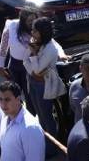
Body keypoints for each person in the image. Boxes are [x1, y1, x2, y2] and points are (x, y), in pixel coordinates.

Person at [24, 17, 66, 152]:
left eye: (35, 31)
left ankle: (52, 148)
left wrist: (34, 54)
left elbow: (36, 69)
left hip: (44, 86)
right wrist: (33, 72)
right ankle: (44, 142)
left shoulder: (50, 49)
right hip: (34, 83)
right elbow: (25, 61)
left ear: (43, 32)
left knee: (47, 117)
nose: (32, 34)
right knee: (40, 116)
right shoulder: (36, 42)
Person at [0, 9, 34, 102]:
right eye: (29, 21)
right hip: (14, 66)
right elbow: (3, 46)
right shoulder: (12, 26)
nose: (32, 23)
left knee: (29, 96)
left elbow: (51, 42)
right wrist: (0, 66)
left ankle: (32, 115)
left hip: (30, 66)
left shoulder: (37, 28)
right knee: (14, 96)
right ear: (22, 21)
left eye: (34, 19)